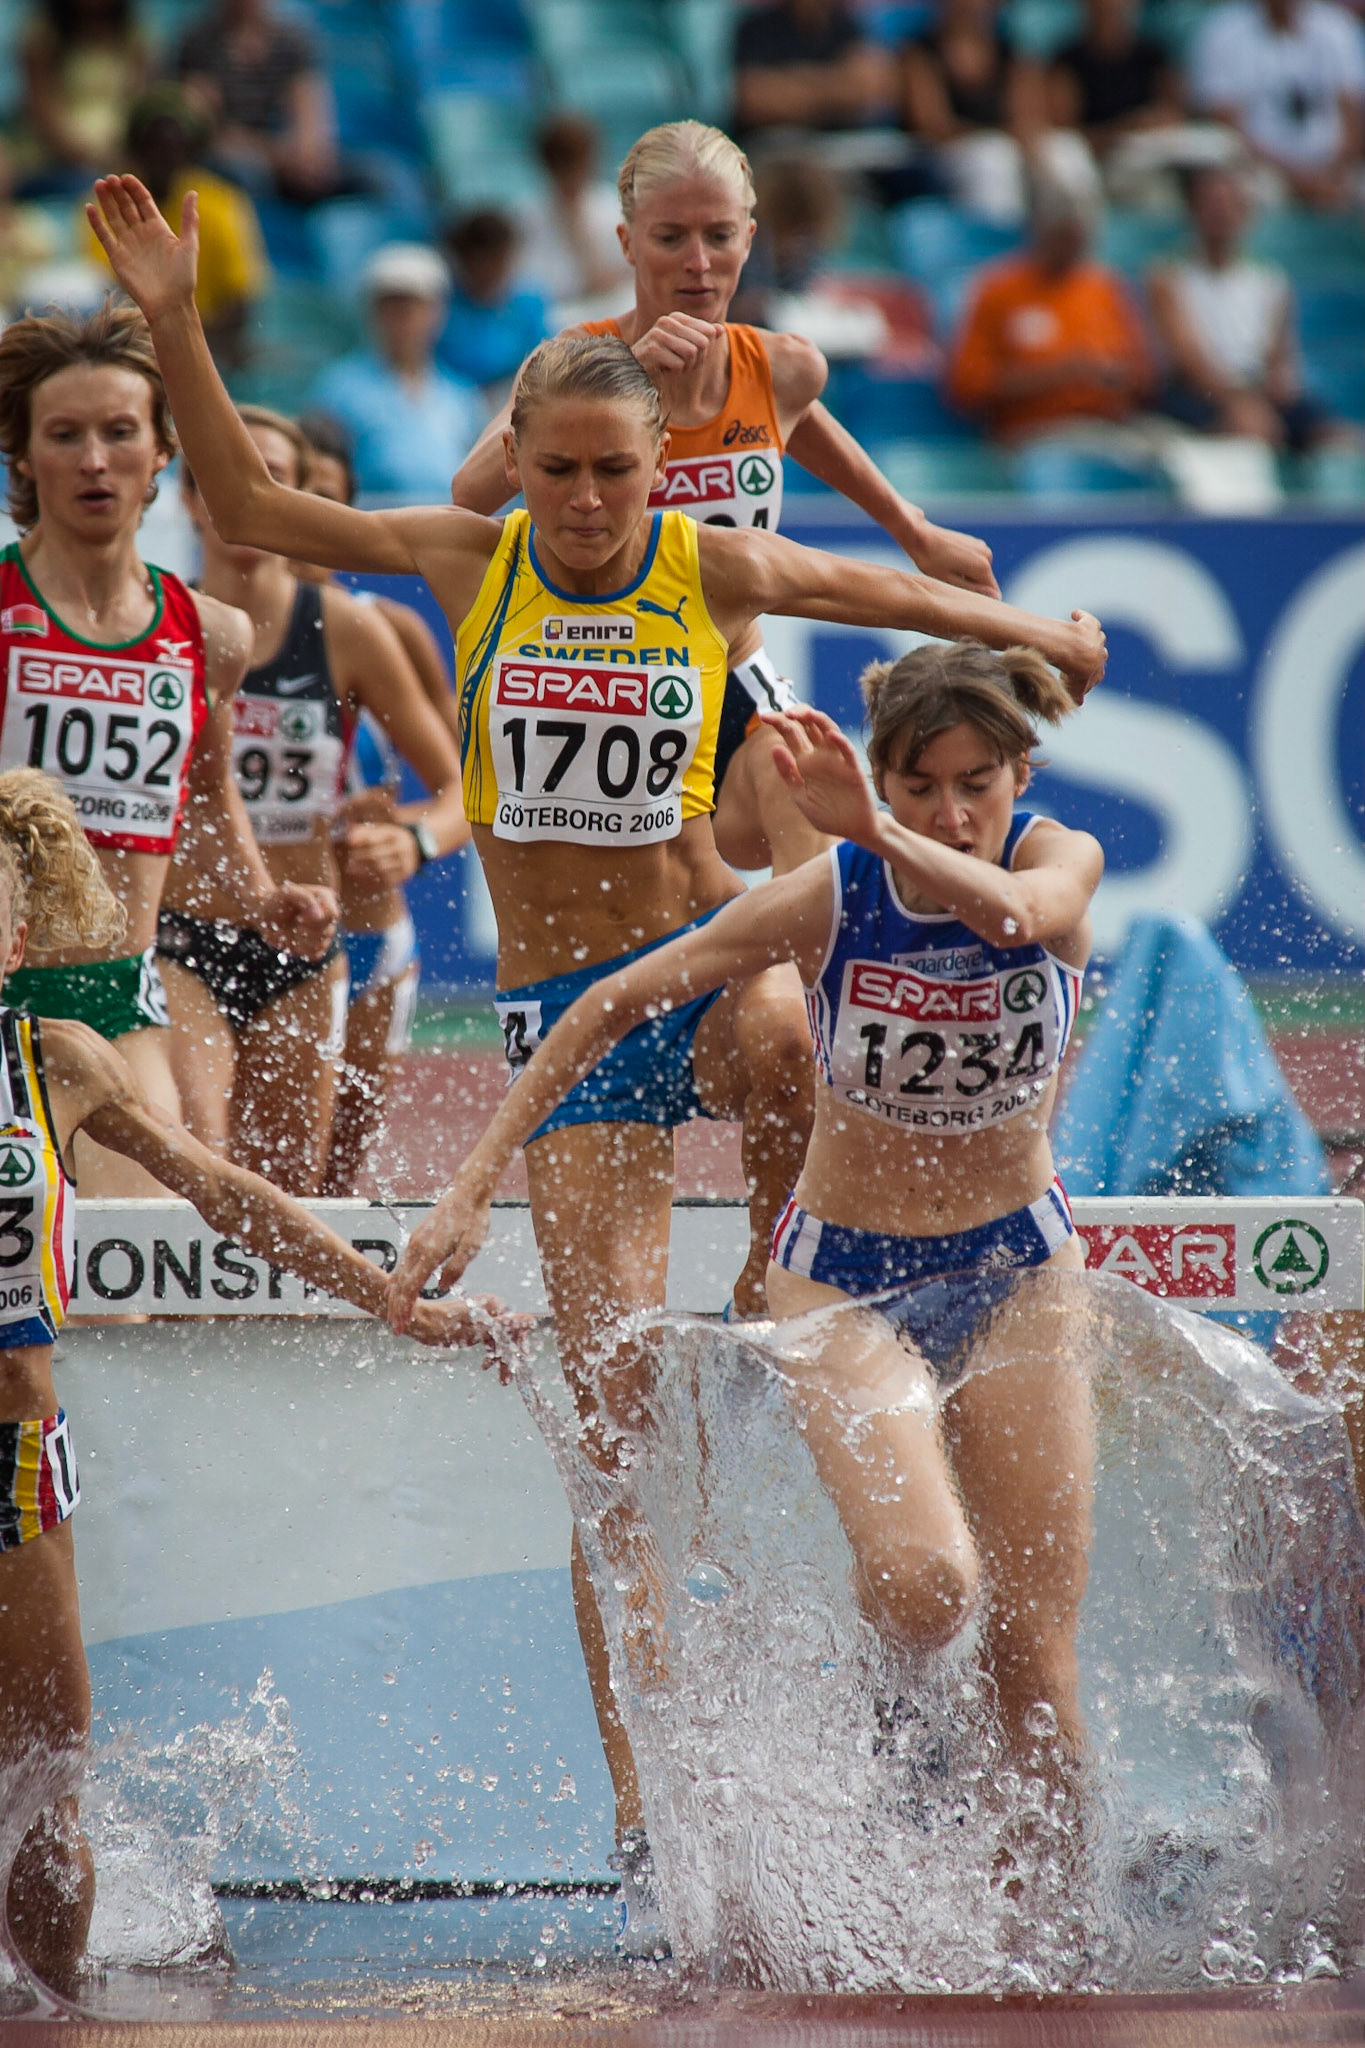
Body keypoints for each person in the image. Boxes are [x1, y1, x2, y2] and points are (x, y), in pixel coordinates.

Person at [87, 159, 1105, 1924]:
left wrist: (1026, 626)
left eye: (611, 473)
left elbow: (880, 596)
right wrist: (176, 322)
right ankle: (655, 1813)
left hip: (698, 959)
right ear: (516, 459)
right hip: (566, 1021)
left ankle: (796, 1285)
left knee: (783, 1018)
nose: (576, 502)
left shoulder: (707, 564)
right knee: (613, 1434)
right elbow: (245, 487)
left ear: (659, 472)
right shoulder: (461, 554)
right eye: (552, 469)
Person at [389, 644, 1103, 1905]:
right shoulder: (830, 895)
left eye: (976, 785)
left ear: (1020, 774)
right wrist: (472, 1178)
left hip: (1019, 1274)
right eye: (920, 787)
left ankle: (1049, 1942)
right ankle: (901, 1716)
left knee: (1036, 1667)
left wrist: (876, 824)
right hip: (845, 1282)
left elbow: (1016, 922)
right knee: (930, 1589)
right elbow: (607, 1003)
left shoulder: (1059, 860)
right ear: (880, 778)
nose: (953, 814)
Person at [0, 766, 505, 1998]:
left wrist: (384, 1291)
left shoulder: (56, 1057)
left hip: (17, 1459)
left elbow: (221, 1192)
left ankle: (48, 2007)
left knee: (41, 1778)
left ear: (16, 929)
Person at [449, 120, 1000, 880]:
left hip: (724, 666)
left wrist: (912, 529)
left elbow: (797, 423)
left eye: (718, 236)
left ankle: (807, 995)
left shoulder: (785, 367)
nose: (698, 265)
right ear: (626, 242)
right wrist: (617, 378)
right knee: (648, 903)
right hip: (598, 679)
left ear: (750, 236)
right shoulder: (571, 362)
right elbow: (468, 492)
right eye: (670, 237)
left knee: (804, 783)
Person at [0, 302, 334, 1202]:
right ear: (25, 459)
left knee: (135, 1286)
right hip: (2, 993)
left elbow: (212, 795)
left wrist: (263, 894)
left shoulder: (210, 636)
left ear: (160, 457)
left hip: (117, 998)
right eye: (65, 435)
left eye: (119, 432)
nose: (94, 459)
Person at [162, 403, 467, 1195]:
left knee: (310, 1195)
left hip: (316, 936)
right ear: (192, 497)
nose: (243, 497)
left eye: (271, 481)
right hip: (183, 933)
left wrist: (415, 840)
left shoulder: (349, 629)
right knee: (195, 1165)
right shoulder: (156, 618)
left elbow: (465, 785)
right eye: (227, 479)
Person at [294, 415, 468, 1198]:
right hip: (259, 938)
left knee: (334, 1184)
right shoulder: (211, 625)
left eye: (321, 499)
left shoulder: (384, 630)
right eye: (284, 492)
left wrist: (412, 840)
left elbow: (469, 785)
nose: (299, 515)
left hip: (368, 938)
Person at [1147, 162, 1337, 452]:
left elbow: (1278, 356)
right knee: (1245, 430)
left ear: (1245, 212)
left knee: (1334, 438)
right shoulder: (1168, 277)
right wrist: (1238, 403)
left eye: (1229, 204)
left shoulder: (1271, 280)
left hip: (1256, 390)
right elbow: (1189, 363)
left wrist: (1266, 396)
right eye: (1211, 204)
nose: (1220, 213)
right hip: (1196, 395)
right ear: (1193, 211)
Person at [946, 179, 1153, 445]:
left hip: (1109, 425)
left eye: (1078, 237)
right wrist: (1057, 374)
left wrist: (1106, 374)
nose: (1071, 247)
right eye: (1063, 236)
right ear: (1041, 231)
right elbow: (968, 385)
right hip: (1031, 432)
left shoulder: (1106, 287)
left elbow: (1143, 377)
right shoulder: (998, 290)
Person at [83, 85, 268, 368]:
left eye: (175, 147)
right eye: (153, 146)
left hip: (209, 343)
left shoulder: (221, 205)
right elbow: (106, 295)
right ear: (136, 147)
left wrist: (184, 339)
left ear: (191, 150)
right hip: (131, 345)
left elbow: (239, 303)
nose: (164, 157)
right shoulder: (108, 203)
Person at [308, 243, 484, 505]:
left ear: (438, 312)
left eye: (415, 306)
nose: (404, 318)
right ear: (374, 312)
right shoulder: (337, 389)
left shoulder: (462, 396)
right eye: (391, 306)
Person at [1186, 0, 1365, 211]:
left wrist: (1333, 173)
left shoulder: (1337, 27)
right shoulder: (1223, 31)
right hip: (1258, 167)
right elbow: (1226, 126)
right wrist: (1299, 180)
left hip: (1333, 169)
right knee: (1240, 192)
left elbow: (1353, 117)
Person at [174, 0, 341, 205]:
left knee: (374, 177)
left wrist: (307, 155)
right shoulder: (197, 43)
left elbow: (310, 112)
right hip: (238, 159)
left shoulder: (292, 40)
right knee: (244, 178)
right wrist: (275, 157)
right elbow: (207, 131)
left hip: (289, 160)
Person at [12, 0, 148, 198]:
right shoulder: (42, 36)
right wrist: (90, 156)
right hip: (55, 159)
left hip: (120, 152)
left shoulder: (134, 33)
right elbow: (43, 112)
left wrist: (121, 151)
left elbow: (138, 101)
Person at [732, 0, 896, 148]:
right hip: (776, 153)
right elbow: (754, 101)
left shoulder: (848, 28)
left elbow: (868, 92)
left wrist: (793, 84)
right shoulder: (757, 28)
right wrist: (838, 84)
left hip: (841, 152)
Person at [515, 114, 633, 315]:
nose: (572, 174)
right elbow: (531, 289)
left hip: (612, 308)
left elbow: (628, 272)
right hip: (562, 316)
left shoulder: (613, 207)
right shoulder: (526, 217)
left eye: (578, 162)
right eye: (562, 165)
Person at [437, 209, 552, 403]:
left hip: (521, 395)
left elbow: (544, 358)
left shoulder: (529, 301)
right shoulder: (445, 309)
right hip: (460, 402)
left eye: (500, 262)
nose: (491, 273)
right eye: (482, 263)